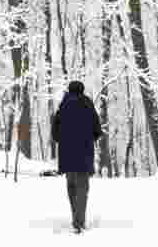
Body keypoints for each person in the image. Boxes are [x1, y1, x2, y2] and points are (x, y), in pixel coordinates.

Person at [51, 80, 104, 234]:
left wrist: (65, 139)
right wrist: (88, 138)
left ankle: (76, 219)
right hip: (84, 154)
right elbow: (97, 130)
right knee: (82, 188)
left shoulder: (63, 106)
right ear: (82, 90)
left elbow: (55, 133)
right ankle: (79, 222)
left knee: (72, 188)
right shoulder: (88, 105)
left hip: (67, 155)